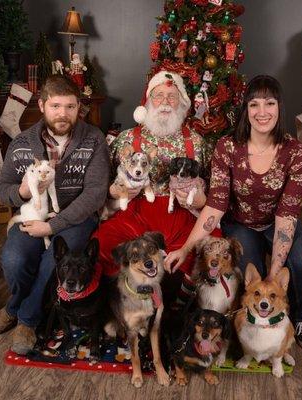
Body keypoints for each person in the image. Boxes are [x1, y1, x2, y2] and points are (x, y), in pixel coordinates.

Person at [165, 75, 302, 354]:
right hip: (241, 225)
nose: (262, 112)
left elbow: (286, 216)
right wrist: (186, 248)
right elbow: (215, 206)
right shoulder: (227, 147)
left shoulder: (294, 152)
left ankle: (298, 317)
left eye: (269, 104)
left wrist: (274, 278)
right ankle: (247, 325)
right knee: (249, 278)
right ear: (246, 110)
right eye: (254, 104)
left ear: (279, 107)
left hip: (279, 225)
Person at [0, 75, 110, 355]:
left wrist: (53, 226)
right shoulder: (22, 142)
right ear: (42, 105)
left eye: (69, 106)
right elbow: (1, 187)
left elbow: (95, 195)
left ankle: (24, 317)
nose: (62, 114)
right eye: (55, 106)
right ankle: (21, 304)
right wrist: (23, 192)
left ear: (79, 107)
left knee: (52, 262)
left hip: (77, 217)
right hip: (33, 213)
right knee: (14, 258)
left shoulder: (94, 140)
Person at [91, 70, 220, 304]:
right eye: (159, 96)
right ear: (148, 101)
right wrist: (115, 191)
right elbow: (101, 185)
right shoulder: (127, 138)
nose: (165, 103)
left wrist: (202, 199)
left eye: (172, 97)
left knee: (214, 247)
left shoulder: (198, 142)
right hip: (136, 214)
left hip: (182, 216)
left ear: (182, 103)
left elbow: (216, 193)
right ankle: (118, 304)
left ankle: (184, 304)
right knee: (102, 244)